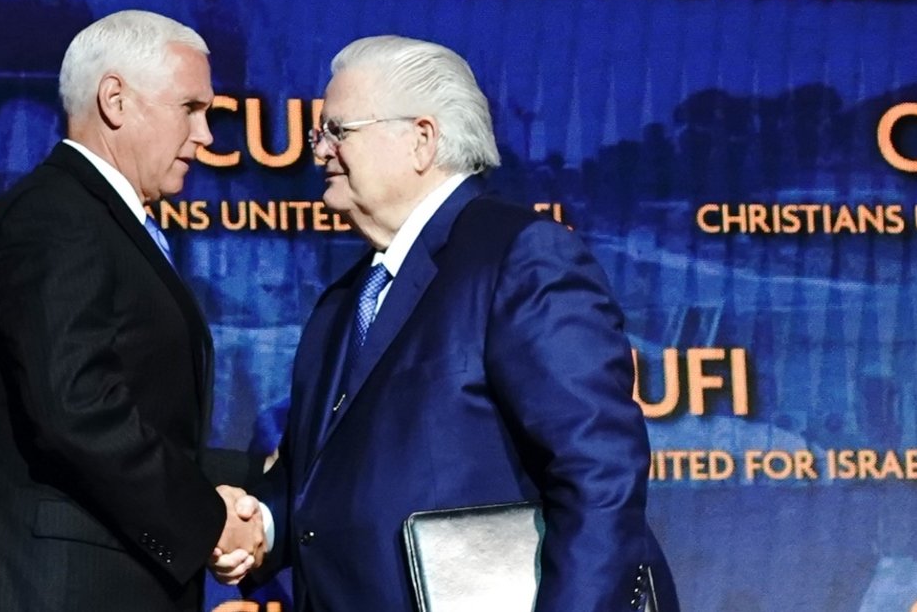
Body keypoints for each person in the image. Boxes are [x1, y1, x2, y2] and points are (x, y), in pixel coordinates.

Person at [242, 35, 679, 611]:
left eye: (336, 131)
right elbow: (315, 478)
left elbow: (597, 472)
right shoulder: (339, 305)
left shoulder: (520, 257)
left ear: (421, 140)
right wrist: (259, 525)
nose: (318, 150)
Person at [0, 10, 265, 612]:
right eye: (190, 109)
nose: (207, 137)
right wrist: (207, 519)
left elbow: (136, 410)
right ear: (115, 100)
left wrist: (256, 476)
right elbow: (76, 408)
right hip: (61, 590)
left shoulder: (97, 219)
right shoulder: (58, 217)